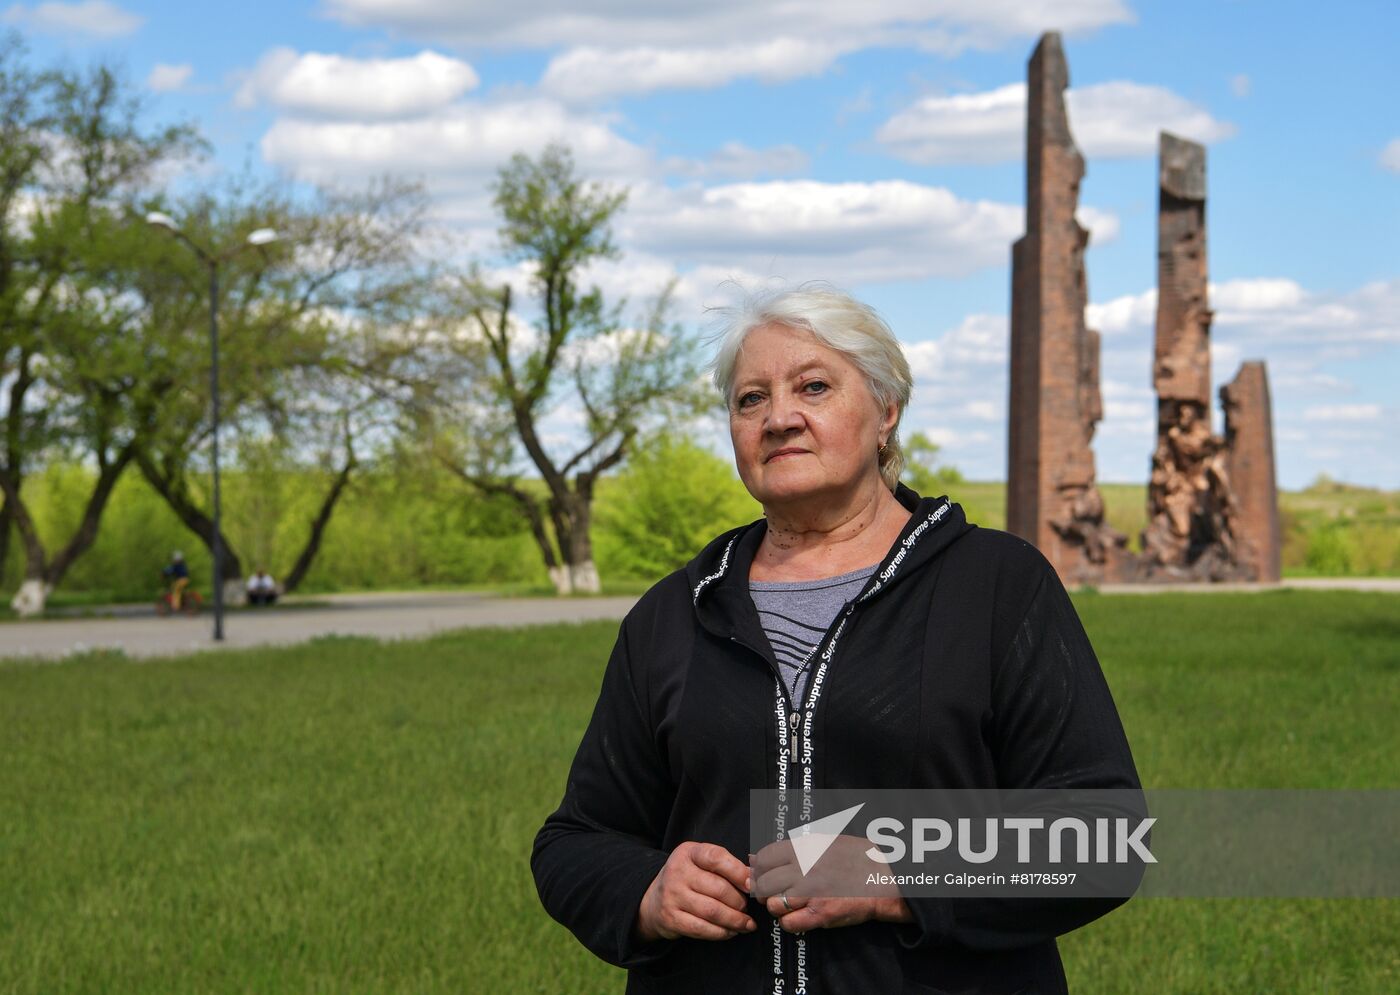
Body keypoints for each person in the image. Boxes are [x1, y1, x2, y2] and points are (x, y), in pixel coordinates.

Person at [532, 286, 1143, 994]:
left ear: (886, 411)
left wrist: (896, 874)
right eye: (750, 399)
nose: (779, 417)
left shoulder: (996, 586)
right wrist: (646, 889)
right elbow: (573, 841)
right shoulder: (675, 613)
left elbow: (1104, 835)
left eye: (813, 386)